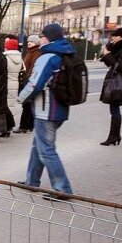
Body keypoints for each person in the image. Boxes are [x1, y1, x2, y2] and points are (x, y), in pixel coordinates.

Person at [17, 23, 75, 197]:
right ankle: (31, 181)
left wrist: (20, 98)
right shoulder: (65, 54)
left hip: (46, 111)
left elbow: (35, 84)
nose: (40, 39)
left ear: (48, 37)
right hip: (59, 110)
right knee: (39, 147)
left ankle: (63, 189)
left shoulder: (48, 57)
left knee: (46, 150)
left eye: (42, 36)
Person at [98, 27, 122, 146]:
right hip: (114, 79)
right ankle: (115, 136)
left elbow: (120, 67)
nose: (112, 38)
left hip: (118, 80)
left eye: (114, 36)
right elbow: (111, 63)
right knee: (113, 108)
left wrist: (108, 55)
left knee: (114, 109)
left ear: (121, 37)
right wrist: (106, 54)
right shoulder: (118, 48)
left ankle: (114, 136)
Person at [15, 34, 42, 133]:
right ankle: (29, 125)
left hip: (29, 81)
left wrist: (28, 78)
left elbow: (33, 67)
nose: (29, 43)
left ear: (37, 43)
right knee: (28, 104)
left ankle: (24, 126)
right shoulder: (30, 52)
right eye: (29, 41)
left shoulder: (36, 53)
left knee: (27, 104)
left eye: (32, 42)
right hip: (28, 80)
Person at [2, 35, 23, 136]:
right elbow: (23, 70)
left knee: (4, 106)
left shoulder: (5, 58)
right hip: (15, 83)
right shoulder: (19, 58)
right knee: (10, 105)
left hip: (6, 83)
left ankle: (6, 128)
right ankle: (8, 128)